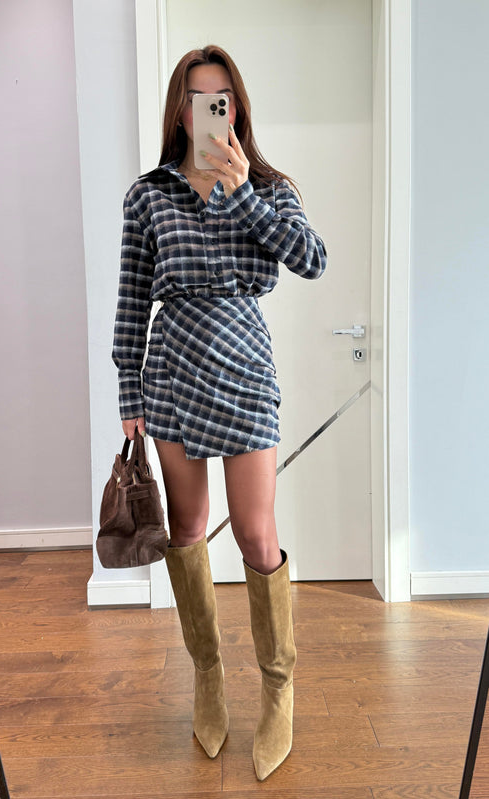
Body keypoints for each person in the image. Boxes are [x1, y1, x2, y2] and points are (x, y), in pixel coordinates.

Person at [112, 45, 326, 781]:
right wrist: (129, 391)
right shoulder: (148, 196)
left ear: (236, 108)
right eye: (199, 97)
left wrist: (241, 195)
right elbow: (131, 297)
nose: (212, 108)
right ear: (180, 109)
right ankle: (208, 675)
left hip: (243, 369)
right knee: (187, 528)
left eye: (223, 98)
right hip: (172, 371)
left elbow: (311, 259)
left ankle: (278, 686)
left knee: (257, 534)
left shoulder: (267, 186)